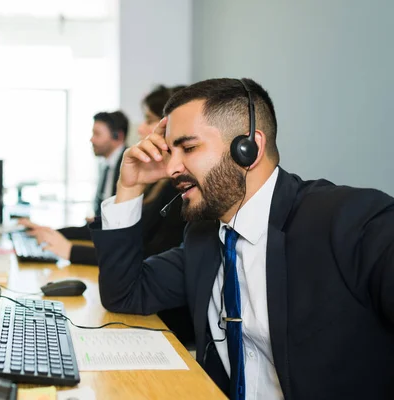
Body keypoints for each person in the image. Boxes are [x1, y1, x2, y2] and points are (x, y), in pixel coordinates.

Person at [89, 78, 394, 399]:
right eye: (170, 151)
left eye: (189, 148)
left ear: (249, 148)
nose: (171, 168)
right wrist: (129, 188)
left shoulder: (350, 219)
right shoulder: (204, 236)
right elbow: (124, 294)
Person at [26, 86, 187, 266]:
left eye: (149, 120)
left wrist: (71, 251)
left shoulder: (174, 189)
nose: (141, 129)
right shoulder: (154, 181)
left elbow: (142, 253)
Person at [20, 110, 129, 242]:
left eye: (97, 134)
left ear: (118, 136)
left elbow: (115, 225)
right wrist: (48, 231)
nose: (91, 139)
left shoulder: (129, 168)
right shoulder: (107, 166)